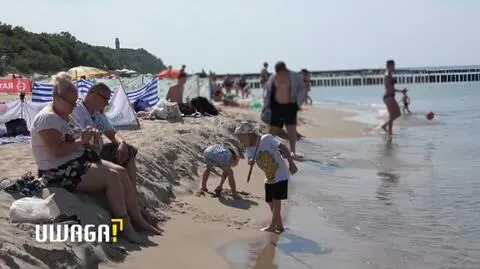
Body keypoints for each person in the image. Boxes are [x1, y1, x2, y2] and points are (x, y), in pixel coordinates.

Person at [30, 79, 161, 244]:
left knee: (119, 171)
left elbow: (81, 142)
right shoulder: (48, 118)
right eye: (71, 102)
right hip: (57, 171)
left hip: (74, 161)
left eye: (75, 101)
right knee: (112, 177)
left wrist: (89, 137)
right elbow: (57, 151)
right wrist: (82, 141)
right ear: (57, 99)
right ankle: (124, 226)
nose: (73, 106)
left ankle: (138, 218)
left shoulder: (65, 114)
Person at [71, 82, 160, 227]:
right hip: (84, 156)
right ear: (93, 96)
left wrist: (122, 143)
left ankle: (137, 208)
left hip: (95, 152)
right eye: (105, 99)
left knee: (127, 152)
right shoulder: (78, 112)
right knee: (117, 173)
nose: (107, 103)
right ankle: (132, 219)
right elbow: (76, 141)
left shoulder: (98, 113)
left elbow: (112, 133)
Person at [235, 121, 298, 233]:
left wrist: (291, 162)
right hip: (269, 176)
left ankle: (272, 226)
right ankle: (280, 226)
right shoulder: (250, 148)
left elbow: (283, 147)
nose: (240, 141)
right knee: (269, 201)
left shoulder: (266, 139)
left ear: (249, 135)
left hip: (280, 173)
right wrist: (251, 161)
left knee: (276, 202)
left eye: (241, 138)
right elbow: (250, 159)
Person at [263, 61, 305, 159]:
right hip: (276, 107)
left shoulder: (294, 76)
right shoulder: (273, 77)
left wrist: (298, 104)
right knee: (273, 129)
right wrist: (266, 106)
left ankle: (293, 152)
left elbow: (301, 90)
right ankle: (267, 150)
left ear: (284, 70)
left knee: (291, 130)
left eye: (280, 72)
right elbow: (268, 92)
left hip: (290, 106)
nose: (279, 74)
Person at [381, 60, 406, 135]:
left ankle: (389, 131)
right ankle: (386, 128)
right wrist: (401, 91)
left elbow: (391, 88)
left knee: (393, 115)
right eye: (393, 66)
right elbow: (390, 89)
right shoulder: (387, 75)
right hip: (388, 97)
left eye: (394, 65)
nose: (394, 67)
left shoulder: (389, 75)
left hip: (389, 97)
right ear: (388, 66)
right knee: (397, 114)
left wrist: (401, 91)